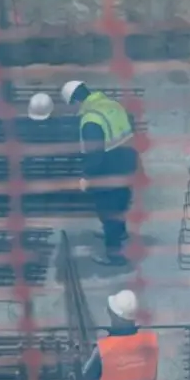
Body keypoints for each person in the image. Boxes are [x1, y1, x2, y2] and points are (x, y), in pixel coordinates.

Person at [61, 80, 139, 266]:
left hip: (107, 170)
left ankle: (114, 255)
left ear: (76, 101)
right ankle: (120, 232)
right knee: (120, 202)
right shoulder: (113, 104)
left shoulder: (91, 120)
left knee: (108, 210)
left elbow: (94, 154)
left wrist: (86, 177)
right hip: (127, 162)